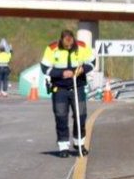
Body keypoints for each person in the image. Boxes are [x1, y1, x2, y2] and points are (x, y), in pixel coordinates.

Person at [40, 29, 95, 158]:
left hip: (78, 86)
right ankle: (63, 146)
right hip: (60, 88)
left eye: (71, 44)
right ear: (61, 40)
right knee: (61, 116)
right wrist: (61, 73)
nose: (69, 46)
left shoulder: (82, 47)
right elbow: (44, 68)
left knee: (80, 115)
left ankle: (79, 143)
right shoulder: (52, 48)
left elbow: (92, 63)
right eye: (66, 45)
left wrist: (83, 69)